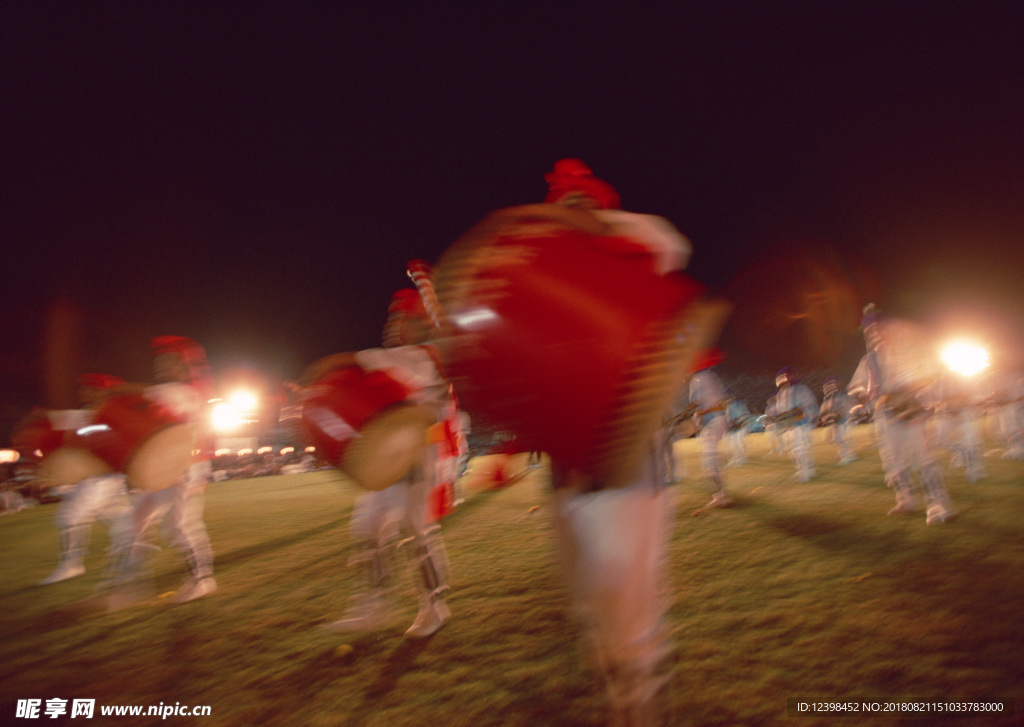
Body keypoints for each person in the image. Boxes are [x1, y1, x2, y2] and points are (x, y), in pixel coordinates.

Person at [541, 159, 695, 725]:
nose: (567, 216)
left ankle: (642, 706)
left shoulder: (635, 253)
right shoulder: (547, 289)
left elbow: (671, 243)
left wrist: (593, 222)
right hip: (566, 469)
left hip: (628, 458)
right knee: (594, 614)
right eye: (561, 206)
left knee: (631, 615)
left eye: (578, 204)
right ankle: (626, 701)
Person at [322, 287, 453, 639]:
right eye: (391, 318)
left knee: (415, 530)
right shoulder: (407, 358)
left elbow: (358, 362)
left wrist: (331, 365)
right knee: (367, 529)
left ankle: (434, 607)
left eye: (400, 318)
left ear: (419, 324)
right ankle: (372, 605)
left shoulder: (422, 356)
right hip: (388, 453)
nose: (391, 326)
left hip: (416, 457)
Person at [108, 336, 217, 605]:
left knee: (180, 526)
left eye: (167, 360)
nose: (159, 365)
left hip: (182, 468)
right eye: (158, 360)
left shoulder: (183, 392)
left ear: (183, 367)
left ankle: (202, 581)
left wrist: (116, 391)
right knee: (131, 524)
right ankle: (129, 585)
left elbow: (150, 403)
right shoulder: (170, 391)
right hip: (164, 467)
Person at [847, 305, 956, 524]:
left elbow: (928, 378)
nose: (873, 333)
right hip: (885, 414)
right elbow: (857, 387)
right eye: (869, 330)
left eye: (877, 328)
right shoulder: (869, 360)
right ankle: (906, 499)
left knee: (923, 459)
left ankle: (938, 504)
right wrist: (861, 396)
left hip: (911, 411)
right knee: (893, 462)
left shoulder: (906, 351)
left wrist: (919, 404)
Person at [37, 374, 132, 585]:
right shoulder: (81, 415)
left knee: (71, 517)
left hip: (103, 478)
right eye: (84, 388)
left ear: (101, 392)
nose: (83, 392)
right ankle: (133, 550)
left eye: (90, 389)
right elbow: (53, 424)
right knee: (120, 521)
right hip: (95, 478)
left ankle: (71, 565)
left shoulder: (113, 415)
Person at [687, 353, 734, 511]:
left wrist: (684, 415)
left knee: (709, 461)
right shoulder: (710, 376)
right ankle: (720, 493)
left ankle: (720, 496)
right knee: (711, 458)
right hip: (718, 420)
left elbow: (696, 404)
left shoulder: (698, 379)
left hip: (712, 422)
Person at [774, 367, 819, 482]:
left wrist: (800, 413)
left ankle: (806, 473)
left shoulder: (801, 389)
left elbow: (810, 405)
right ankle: (802, 470)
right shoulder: (781, 393)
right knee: (792, 450)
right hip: (789, 425)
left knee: (801, 448)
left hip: (801, 424)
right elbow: (780, 410)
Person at [817, 376, 856, 465]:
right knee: (834, 438)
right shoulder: (830, 397)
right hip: (836, 421)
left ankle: (846, 456)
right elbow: (825, 410)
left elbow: (845, 407)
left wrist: (837, 415)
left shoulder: (842, 394)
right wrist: (824, 418)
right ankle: (848, 453)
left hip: (843, 419)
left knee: (840, 438)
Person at [724, 391, 751, 467]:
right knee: (730, 444)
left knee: (737, 443)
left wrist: (739, 422)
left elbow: (742, 415)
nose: (729, 399)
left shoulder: (737, 404)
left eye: (730, 397)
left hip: (737, 426)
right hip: (730, 427)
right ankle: (733, 459)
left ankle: (740, 458)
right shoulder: (728, 406)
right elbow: (727, 417)